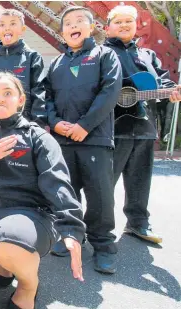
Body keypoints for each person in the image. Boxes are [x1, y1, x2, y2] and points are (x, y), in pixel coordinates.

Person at [0, 72, 85, 309]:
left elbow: (58, 183)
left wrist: (72, 229)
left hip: (33, 216)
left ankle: (27, 287)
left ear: (21, 100)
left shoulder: (38, 137)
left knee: (7, 247)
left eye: (8, 93)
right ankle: (5, 266)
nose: (0, 99)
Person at [44, 6, 122, 274]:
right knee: (66, 192)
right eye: (67, 23)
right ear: (62, 31)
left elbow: (110, 92)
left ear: (92, 28)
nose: (73, 25)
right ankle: (71, 236)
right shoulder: (57, 63)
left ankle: (104, 247)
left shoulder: (105, 55)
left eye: (79, 21)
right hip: (63, 140)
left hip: (95, 139)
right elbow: (48, 99)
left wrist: (85, 125)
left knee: (100, 195)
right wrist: (55, 123)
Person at [103, 5, 181, 244]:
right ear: (107, 28)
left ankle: (138, 223)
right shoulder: (100, 54)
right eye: (118, 21)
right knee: (105, 183)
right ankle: (99, 228)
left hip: (144, 127)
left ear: (136, 26)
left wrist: (172, 91)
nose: (124, 25)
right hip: (113, 128)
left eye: (129, 21)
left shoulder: (147, 55)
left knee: (140, 180)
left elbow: (161, 81)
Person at [0, 9, 46, 127]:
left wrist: (38, 124)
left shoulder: (32, 57)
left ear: (22, 29)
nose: (7, 28)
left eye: (12, 23)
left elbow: (39, 92)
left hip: (24, 123)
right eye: (2, 25)